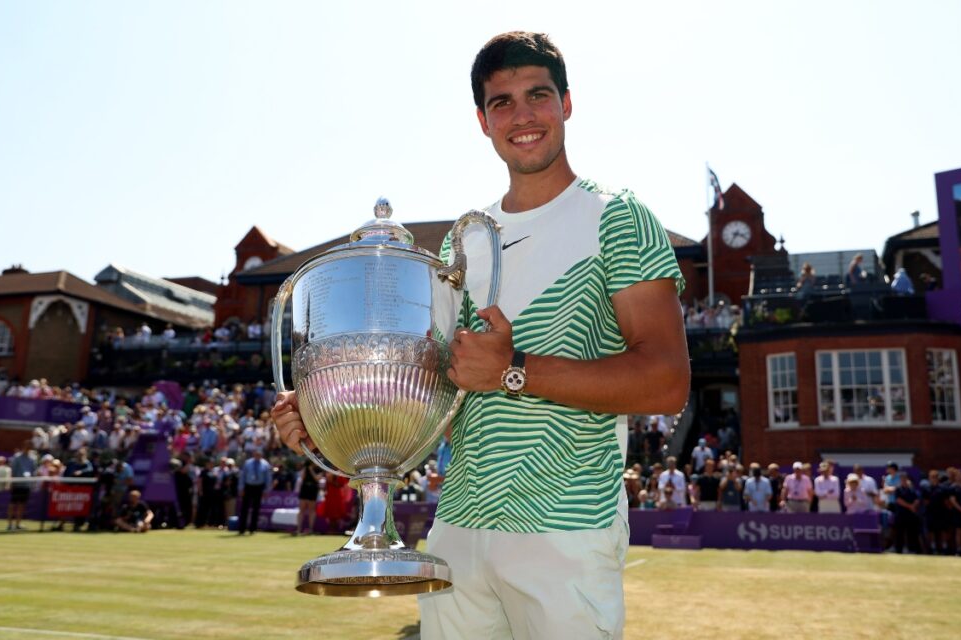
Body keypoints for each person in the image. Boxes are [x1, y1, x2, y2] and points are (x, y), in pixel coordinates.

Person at [272, 31, 690, 639]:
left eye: (538, 96)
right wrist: (334, 421)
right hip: (459, 529)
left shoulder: (617, 215)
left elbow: (667, 383)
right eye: (503, 103)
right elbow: (441, 389)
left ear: (566, 104)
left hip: (565, 529)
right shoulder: (461, 242)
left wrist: (514, 368)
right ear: (483, 120)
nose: (524, 116)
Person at [238, 448, 272, 535]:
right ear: (254, 454)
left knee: (256, 509)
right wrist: (241, 488)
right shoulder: (248, 463)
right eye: (256, 454)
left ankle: (252, 529)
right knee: (244, 508)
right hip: (248, 486)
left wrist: (266, 490)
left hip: (259, 487)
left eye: (259, 454)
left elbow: (268, 478)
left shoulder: (265, 464)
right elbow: (243, 476)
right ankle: (241, 529)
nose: (258, 456)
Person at [8, 443, 37, 531]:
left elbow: (33, 471)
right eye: (26, 447)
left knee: (22, 505)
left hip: (26, 485)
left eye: (29, 448)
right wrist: (12, 483)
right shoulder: (17, 457)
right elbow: (13, 470)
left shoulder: (32, 459)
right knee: (13, 504)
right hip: (17, 484)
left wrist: (32, 483)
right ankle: (10, 525)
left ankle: (18, 524)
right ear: (23, 447)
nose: (27, 449)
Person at [296, 462, 321, 536]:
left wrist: (311, 470)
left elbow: (317, 479)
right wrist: (306, 468)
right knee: (301, 509)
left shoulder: (319, 469)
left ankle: (310, 529)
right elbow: (302, 477)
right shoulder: (306, 468)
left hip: (313, 489)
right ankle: (298, 529)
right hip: (304, 488)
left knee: (311, 510)